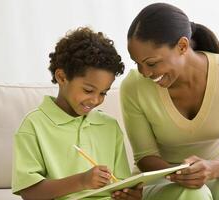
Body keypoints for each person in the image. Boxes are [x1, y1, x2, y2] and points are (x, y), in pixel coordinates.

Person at [120, 3, 219, 200]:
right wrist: (182, 175)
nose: (145, 73)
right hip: (162, 178)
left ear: (182, 46)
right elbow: (145, 157)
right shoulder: (134, 86)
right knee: (194, 193)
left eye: (151, 63)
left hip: (218, 171)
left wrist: (211, 168)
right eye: (137, 63)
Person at [12, 27, 142, 200]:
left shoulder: (109, 126)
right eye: (88, 90)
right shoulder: (33, 125)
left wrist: (129, 194)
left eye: (103, 93)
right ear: (62, 77)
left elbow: (120, 183)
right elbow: (30, 193)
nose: (96, 100)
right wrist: (82, 181)